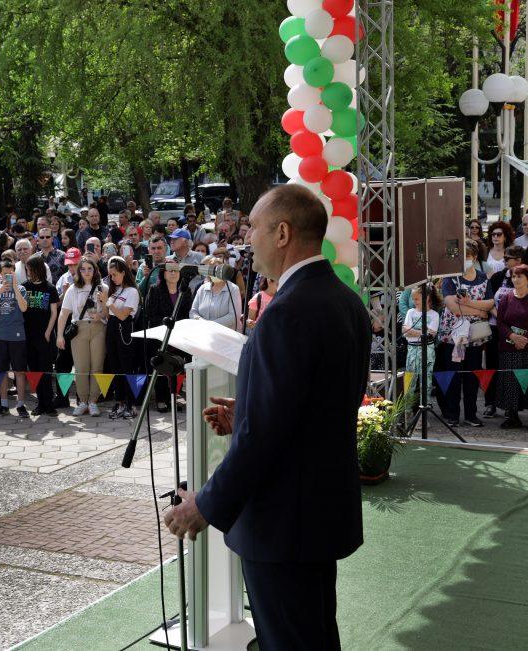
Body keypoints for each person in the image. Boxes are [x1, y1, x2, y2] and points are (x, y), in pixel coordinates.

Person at [163, 184, 371, 650]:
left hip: (283, 524)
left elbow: (263, 440)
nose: (245, 238)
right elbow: (315, 406)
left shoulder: (287, 313)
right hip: (316, 512)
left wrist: (204, 505)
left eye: (252, 226)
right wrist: (250, 409)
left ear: (282, 232)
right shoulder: (346, 301)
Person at [437, 241, 493, 428]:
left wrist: (468, 303)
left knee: (472, 375)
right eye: (461, 256)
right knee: (453, 375)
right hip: (453, 337)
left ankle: (471, 414)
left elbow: (490, 304)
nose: (464, 260)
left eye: (468, 256)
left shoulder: (484, 278)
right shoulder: (449, 278)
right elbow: (453, 307)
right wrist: (479, 311)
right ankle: (452, 414)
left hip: (475, 336)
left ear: (475, 257)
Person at [57, 257, 106, 417]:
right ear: (78, 271)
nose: (86, 272)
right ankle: (83, 401)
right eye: (83, 269)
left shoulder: (103, 287)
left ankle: (93, 402)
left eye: (89, 268)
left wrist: (101, 311)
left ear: (95, 270)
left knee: (97, 366)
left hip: (99, 328)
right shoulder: (73, 288)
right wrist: (59, 335)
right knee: (81, 367)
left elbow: (108, 313)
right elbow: (64, 313)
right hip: (79, 328)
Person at [145, 262, 194, 412]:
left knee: (176, 367)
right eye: (170, 270)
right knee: (162, 367)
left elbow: (188, 314)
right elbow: (150, 314)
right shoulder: (155, 290)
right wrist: (167, 325)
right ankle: (161, 399)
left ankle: (174, 397)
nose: (173, 273)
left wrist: (179, 327)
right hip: (161, 335)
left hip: (179, 335)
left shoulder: (186, 291)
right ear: (163, 273)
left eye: (176, 271)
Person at [491, 264, 528, 429]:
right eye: (514, 277)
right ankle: (513, 416)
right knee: (510, 381)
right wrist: (512, 336)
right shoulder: (507, 298)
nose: (516, 279)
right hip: (509, 347)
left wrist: (524, 339)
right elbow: (501, 322)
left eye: (520, 276)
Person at [0, 259, 29, 417]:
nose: (7, 277)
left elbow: (24, 308)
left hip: (17, 335)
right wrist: (0, 290)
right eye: (5, 274)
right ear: (0, 274)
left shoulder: (21, 288)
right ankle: (4, 404)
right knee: (2, 371)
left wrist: (15, 287)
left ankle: (21, 405)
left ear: (14, 273)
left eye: (10, 274)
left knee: (19, 371)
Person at [102, 256, 140, 419]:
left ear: (124, 273)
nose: (113, 278)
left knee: (127, 366)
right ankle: (120, 401)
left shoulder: (132, 291)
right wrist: (104, 304)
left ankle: (131, 403)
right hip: (111, 328)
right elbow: (108, 315)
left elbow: (124, 315)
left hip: (124, 328)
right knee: (115, 366)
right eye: (110, 275)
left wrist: (108, 303)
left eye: (115, 274)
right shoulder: (114, 290)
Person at [22, 253, 60, 416]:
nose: (28, 272)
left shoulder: (49, 288)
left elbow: (54, 312)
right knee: (34, 372)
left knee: (45, 371)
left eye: (30, 269)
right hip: (28, 335)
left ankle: (49, 404)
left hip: (44, 335)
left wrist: (48, 331)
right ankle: (40, 403)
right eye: (27, 269)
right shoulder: (24, 286)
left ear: (37, 269)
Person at [402, 284, 441, 399]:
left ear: (427, 297)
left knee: (426, 379)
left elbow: (431, 335)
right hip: (412, 349)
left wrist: (413, 331)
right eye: (413, 299)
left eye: (417, 299)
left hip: (427, 350)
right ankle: (407, 409)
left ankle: (425, 407)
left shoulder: (434, 315)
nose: (414, 302)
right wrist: (423, 332)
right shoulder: (410, 312)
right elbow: (405, 332)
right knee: (410, 380)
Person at [189, 256, 243, 330]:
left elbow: (234, 316)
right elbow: (193, 311)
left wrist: (210, 325)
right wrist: (201, 322)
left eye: (217, 269)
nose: (214, 272)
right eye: (212, 269)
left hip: (226, 335)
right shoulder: (202, 288)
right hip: (203, 331)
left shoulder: (233, 289)